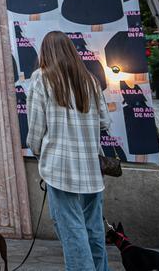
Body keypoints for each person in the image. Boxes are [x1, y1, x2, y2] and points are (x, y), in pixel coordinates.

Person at [26, 30, 111, 271]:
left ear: (45, 52)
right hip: (91, 169)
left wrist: (38, 150)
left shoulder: (42, 78)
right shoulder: (90, 80)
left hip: (60, 169)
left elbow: (35, 129)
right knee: (93, 228)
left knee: (71, 230)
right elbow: (104, 123)